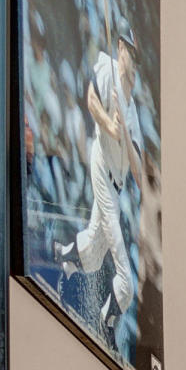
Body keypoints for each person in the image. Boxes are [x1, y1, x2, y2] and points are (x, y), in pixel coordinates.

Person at [58, 23, 150, 346]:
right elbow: (90, 100)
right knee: (124, 276)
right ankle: (105, 320)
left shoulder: (133, 110)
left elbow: (139, 175)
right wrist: (109, 127)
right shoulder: (109, 69)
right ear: (121, 49)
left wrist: (123, 129)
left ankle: (65, 254)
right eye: (130, 54)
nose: (133, 63)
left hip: (118, 181)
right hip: (100, 164)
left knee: (95, 255)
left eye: (137, 59)